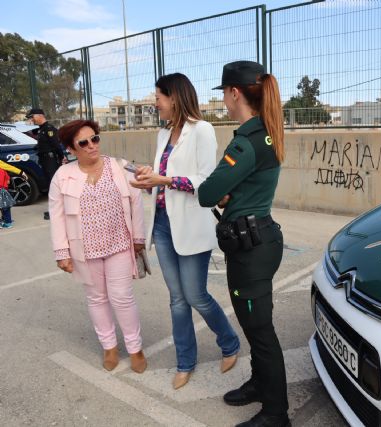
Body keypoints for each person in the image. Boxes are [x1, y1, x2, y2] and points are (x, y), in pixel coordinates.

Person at [131, 73, 240, 390]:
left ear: (175, 97)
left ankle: (229, 342)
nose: (156, 102)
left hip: (191, 224)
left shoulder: (202, 131)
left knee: (195, 295)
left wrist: (161, 180)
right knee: (177, 299)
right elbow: (163, 180)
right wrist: (147, 180)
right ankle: (185, 362)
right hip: (163, 224)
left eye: (159, 97)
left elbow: (206, 182)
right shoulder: (162, 134)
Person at [198, 61, 289, 427]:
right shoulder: (266, 132)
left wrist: (224, 193)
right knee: (254, 324)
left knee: (260, 331)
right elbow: (241, 186)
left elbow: (207, 194)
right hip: (259, 239)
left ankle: (276, 414)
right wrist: (232, 193)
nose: (223, 99)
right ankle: (260, 384)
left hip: (250, 248)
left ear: (235, 92)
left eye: (223, 92)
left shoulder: (246, 143)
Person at [49, 120, 147, 373]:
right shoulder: (62, 176)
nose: (92, 146)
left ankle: (135, 348)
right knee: (97, 299)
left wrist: (138, 238)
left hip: (118, 245)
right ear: (71, 149)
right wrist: (62, 253)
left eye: (95, 139)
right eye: (84, 143)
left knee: (122, 298)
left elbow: (136, 202)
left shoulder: (120, 166)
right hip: (85, 250)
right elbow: (57, 216)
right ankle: (109, 347)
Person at [26, 108, 64, 220]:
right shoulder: (41, 129)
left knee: (54, 185)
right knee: (51, 185)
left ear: (39, 116)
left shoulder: (49, 129)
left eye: (32, 117)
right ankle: (56, 209)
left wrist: (62, 157)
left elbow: (56, 145)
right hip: (45, 161)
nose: (32, 120)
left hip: (51, 161)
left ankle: (57, 211)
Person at [0, 160, 27, 229]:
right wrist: (21, 172)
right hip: (4, 191)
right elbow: (8, 181)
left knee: (3, 207)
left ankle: (6, 222)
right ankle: (7, 220)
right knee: (6, 206)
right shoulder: (3, 168)